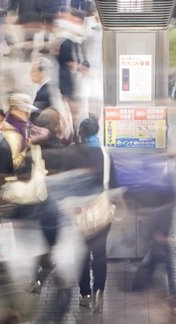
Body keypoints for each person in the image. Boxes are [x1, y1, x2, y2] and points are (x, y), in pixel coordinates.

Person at [69, 116, 115, 310]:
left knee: (81, 254)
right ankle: (99, 291)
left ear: (80, 132)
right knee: (100, 253)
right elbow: (113, 184)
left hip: (78, 213)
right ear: (97, 132)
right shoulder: (105, 155)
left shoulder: (72, 153)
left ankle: (85, 294)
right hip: (101, 212)